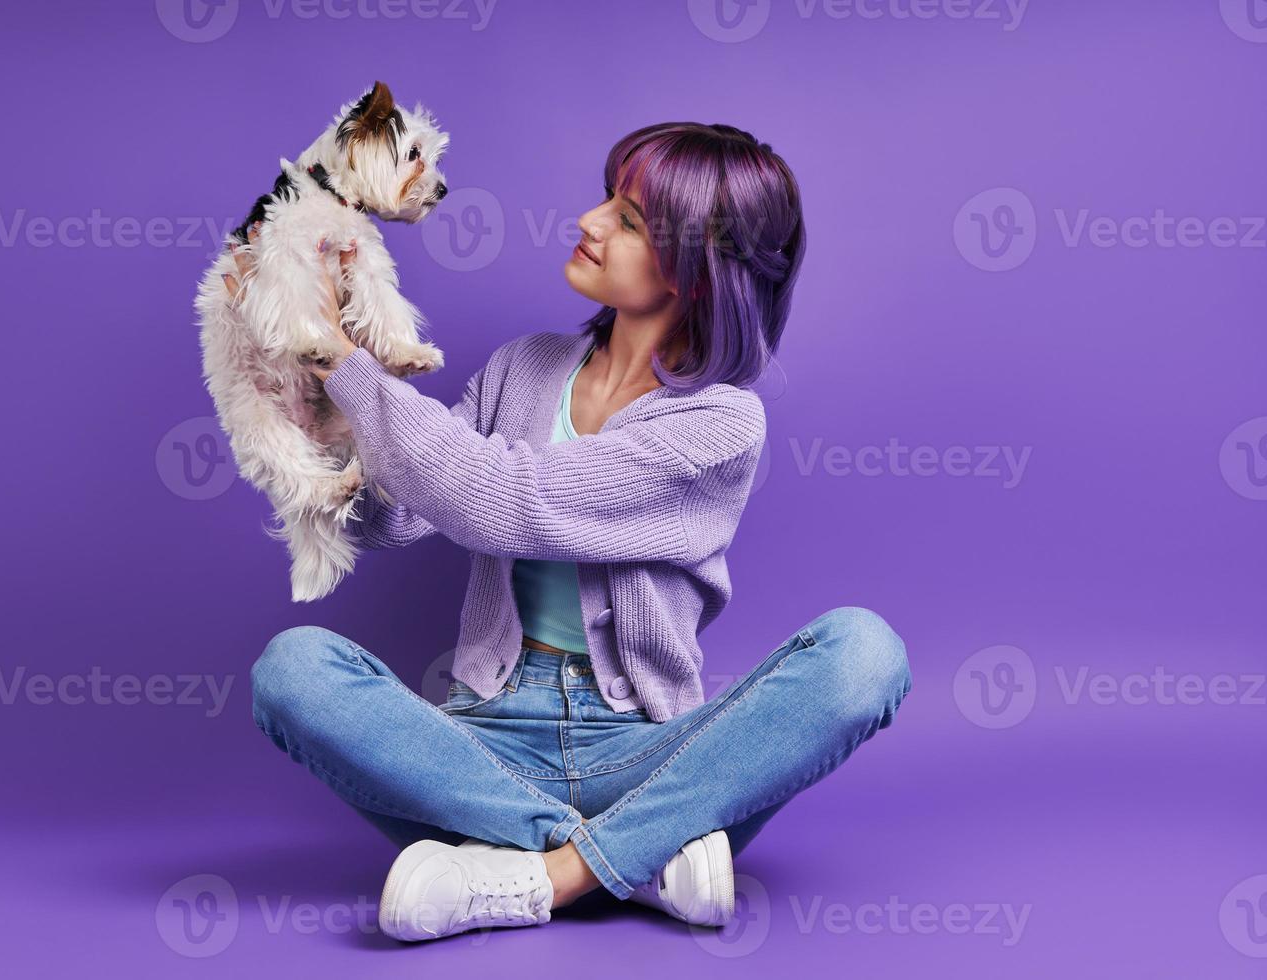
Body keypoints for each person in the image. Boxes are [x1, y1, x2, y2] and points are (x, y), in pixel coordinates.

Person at [224, 121, 912, 943]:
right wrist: (302, 390)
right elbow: (398, 513)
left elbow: (509, 501)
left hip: (651, 752)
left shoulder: (722, 423)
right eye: (606, 200)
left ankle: (535, 876)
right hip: (482, 747)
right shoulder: (525, 366)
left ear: (699, 272)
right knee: (294, 669)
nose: (587, 221)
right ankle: (646, 861)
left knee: (864, 652)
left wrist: (347, 366)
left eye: (627, 220)